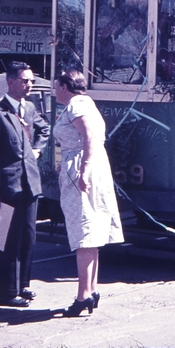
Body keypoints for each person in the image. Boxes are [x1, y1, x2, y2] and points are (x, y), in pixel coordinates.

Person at [54, 69, 124, 317]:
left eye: (56, 85)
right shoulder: (85, 103)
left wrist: (82, 169)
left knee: (83, 230)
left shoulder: (76, 105)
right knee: (90, 231)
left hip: (84, 170)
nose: (54, 90)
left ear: (64, 86)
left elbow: (90, 137)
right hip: (89, 166)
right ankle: (91, 290)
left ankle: (83, 294)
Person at [0, 62, 50, 307]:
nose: (29, 84)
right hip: (7, 186)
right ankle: (5, 293)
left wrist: (37, 151)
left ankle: (22, 285)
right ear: (11, 82)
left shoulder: (29, 108)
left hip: (29, 184)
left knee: (27, 237)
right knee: (4, 239)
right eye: (24, 80)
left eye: (31, 80)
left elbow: (44, 129)